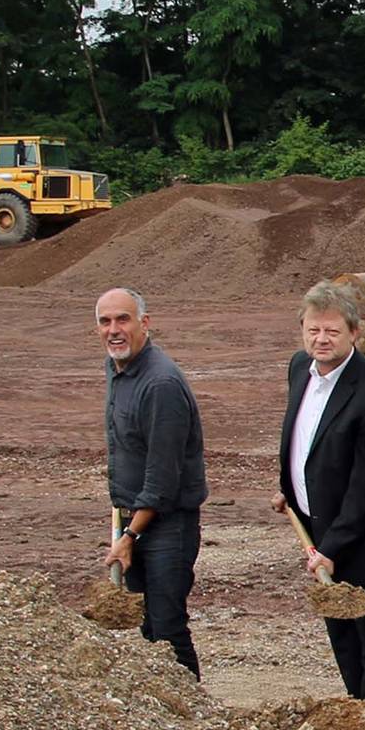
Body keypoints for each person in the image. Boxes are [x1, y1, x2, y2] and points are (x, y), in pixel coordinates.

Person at [274, 282, 365, 701]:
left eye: (332, 331)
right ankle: (360, 719)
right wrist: (290, 491)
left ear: (355, 333)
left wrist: (332, 548)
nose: (321, 339)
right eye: (313, 330)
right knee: (346, 648)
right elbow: (307, 442)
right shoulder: (300, 368)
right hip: (322, 536)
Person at [97, 287, 208, 677]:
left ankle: (192, 708)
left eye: (123, 319)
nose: (114, 330)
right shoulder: (117, 368)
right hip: (136, 519)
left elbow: (162, 478)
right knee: (149, 626)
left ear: (144, 323)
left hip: (167, 525)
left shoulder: (160, 384)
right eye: (105, 321)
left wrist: (129, 536)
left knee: (166, 629)